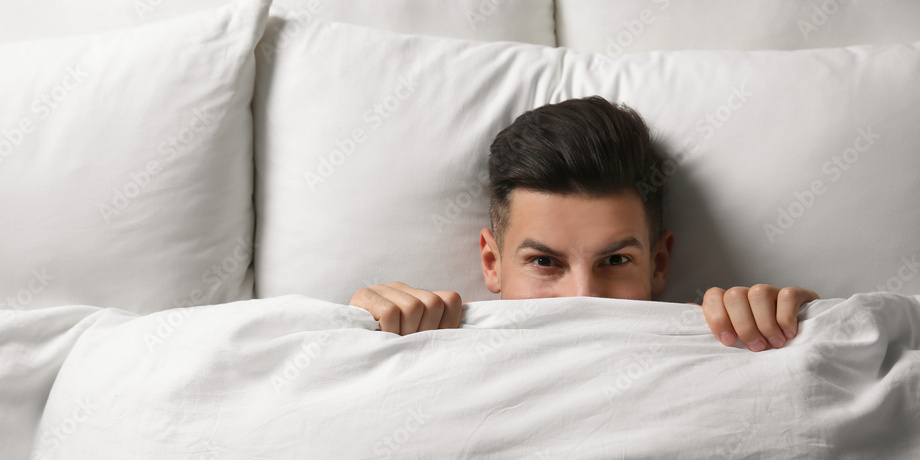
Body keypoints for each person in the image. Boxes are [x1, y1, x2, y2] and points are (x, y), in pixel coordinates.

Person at [350, 96, 819, 352]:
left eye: (616, 259)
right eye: (544, 261)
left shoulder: (731, 346)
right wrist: (352, 335)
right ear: (492, 263)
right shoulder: (420, 348)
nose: (583, 297)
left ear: (659, 263)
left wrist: (805, 329)